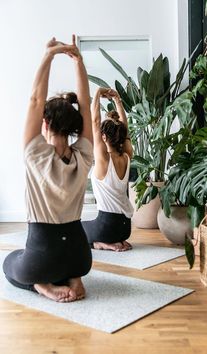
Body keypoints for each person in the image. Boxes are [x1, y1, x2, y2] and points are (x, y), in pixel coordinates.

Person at [3, 35, 93, 302]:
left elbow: (34, 99)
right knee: (64, 263)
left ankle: (42, 287)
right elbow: (86, 104)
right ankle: (74, 279)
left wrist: (48, 55)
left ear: (44, 123)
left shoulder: (35, 153)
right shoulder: (84, 156)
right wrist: (78, 61)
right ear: (74, 126)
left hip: (42, 259)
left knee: (9, 264)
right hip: (80, 257)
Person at [82, 87, 134, 252]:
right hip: (125, 229)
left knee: (73, 228)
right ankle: (115, 241)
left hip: (107, 228)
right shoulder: (126, 156)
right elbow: (126, 130)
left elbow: (95, 122)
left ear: (103, 137)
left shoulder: (103, 159)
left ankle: (101, 243)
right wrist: (118, 101)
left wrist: (97, 93)